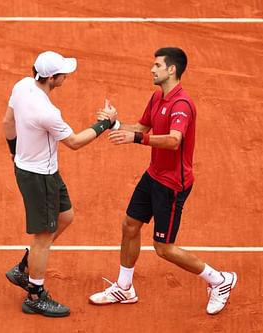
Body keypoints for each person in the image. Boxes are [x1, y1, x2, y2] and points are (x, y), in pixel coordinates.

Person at [88, 47, 237, 315]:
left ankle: (220, 280)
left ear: (171, 70)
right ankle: (124, 287)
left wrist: (136, 139)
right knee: (130, 225)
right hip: (154, 174)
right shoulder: (158, 97)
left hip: (172, 185)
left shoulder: (182, 105)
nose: (152, 69)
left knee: (163, 248)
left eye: (157, 65)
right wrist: (114, 124)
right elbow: (142, 128)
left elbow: (173, 140)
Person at [3, 50, 118, 317]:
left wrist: (14, 149)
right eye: (63, 73)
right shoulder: (48, 112)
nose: (67, 76)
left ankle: (24, 268)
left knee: (65, 216)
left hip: (42, 171)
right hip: (39, 178)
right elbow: (76, 142)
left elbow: (7, 121)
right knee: (43, 238)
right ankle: (35, 294)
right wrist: (105, 124)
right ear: (52, 78)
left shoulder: (21, 85)